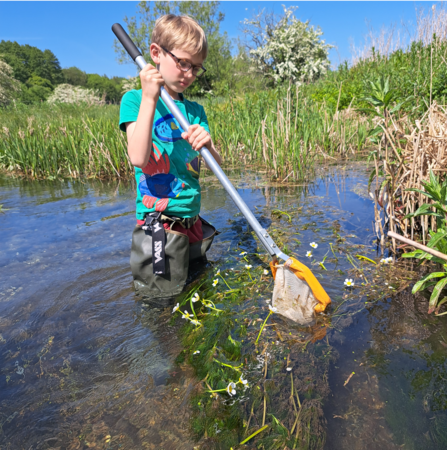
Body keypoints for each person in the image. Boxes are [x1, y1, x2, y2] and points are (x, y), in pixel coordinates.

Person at [119, 14, 221, 301]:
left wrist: (209, 145)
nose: (189, 74)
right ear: (156, 54)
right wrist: (150, 97)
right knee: (163, 302)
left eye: (196, 68)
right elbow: (138, 158)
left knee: (199, 291)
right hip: (159, 225)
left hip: (192, 218)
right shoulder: (135, 101)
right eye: (183, 62)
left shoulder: (195, 112)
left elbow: (216, 165)